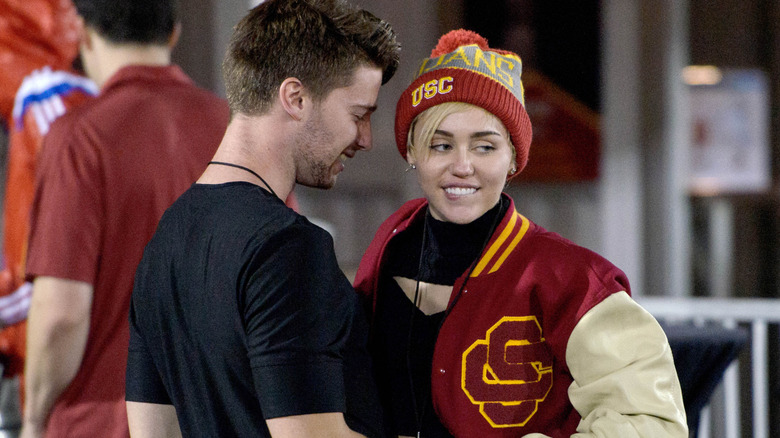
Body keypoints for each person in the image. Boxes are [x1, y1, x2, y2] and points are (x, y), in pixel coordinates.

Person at [354, 29, 688, 437]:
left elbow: (651, 423)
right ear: (411, 152)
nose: (462, 166)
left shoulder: (575, 280)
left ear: (514, 157)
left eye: (485, 147)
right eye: (440, 145)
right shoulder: (390, 245)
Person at [125, 0, 400, 437]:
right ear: (295, 97)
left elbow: (152, 431)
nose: (365, 139)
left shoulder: (166, 239)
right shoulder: (289, 247)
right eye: (358, 115)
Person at [20, 0, 231, 436]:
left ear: (83, 32)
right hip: (217, 418)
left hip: (102, 423)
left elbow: (61, 313)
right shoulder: (234, 129)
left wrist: (34, 417)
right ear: (173, 33)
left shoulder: (80, 138)